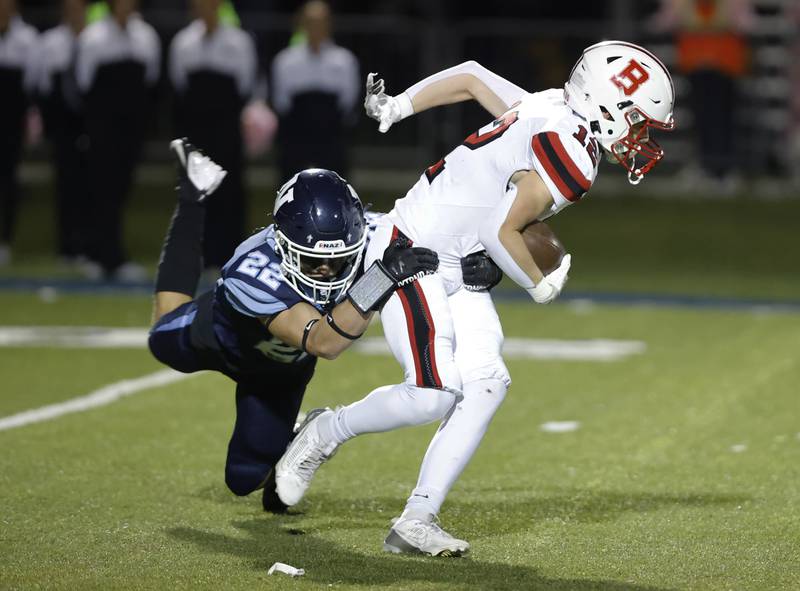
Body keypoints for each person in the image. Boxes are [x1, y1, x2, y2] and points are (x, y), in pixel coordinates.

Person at [275, 41, 676, 556]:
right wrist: (540, 282)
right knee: (432, 394)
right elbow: (500, 229)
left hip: (450, 259)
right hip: (410, 251)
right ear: (609, 108)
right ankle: (326, 429)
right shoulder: (575, 152)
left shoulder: (553, 105)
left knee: (487, 382)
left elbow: (468, 76)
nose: (640, 138)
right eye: (639, 122)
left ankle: (417, 518)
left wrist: (399, 105)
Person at [147, 138, 442, 510]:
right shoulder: (251, 271)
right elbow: (323, 342)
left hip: (279, 372)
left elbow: (435, 241)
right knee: (160, 339)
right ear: (283, 244)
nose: (325, 271)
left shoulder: (373, 233)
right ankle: (194, 194)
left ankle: (298, 439)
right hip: (220, 339)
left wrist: (477, 265)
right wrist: (380, 278)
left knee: (244, 480)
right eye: (312, 261)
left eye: (338, 261)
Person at [168, 0, 258, 270]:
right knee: (195, 188)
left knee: (228, 188)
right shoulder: (183, 42)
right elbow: (178, 82)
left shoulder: (239, 42)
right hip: (196, 125)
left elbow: (246, 82)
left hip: (225, 124)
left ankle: (229, 254)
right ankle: (197, 254)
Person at [75, 0, 160, 280]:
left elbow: (151, 79)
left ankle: (111, 254)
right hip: (102, 126)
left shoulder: (146, 36)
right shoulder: (93, 38)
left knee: (121, 188)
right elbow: (83, 82)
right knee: (100, 188)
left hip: (130, 128)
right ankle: (100, 255)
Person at [270, 0, 360, 183]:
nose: (316, 28)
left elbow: (349, 100)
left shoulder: (344, 61)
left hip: (330, 135)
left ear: (329, 25)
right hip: (297, 136)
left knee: (335, 187)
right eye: (310, 22)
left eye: (321, 22)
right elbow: (281, 102)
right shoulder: (285, 61)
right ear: (301, 24)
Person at [37, 0, 89, 265]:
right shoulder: (51, 42)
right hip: (63, 125)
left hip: (90, 122)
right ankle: (66, 246)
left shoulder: (94, 38)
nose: (74, 12)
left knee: (90, 186)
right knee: (65, 185)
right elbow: (44, 86)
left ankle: (87, 245)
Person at [0, 0, 38, 266]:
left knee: (7, 180)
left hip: (10, 121)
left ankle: (4, 239)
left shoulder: (26, 38)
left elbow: (33, 82)